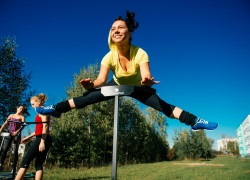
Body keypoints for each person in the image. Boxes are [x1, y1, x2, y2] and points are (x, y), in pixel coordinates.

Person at [36, 11, 218, 131]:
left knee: (162, 106)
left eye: (120, 27)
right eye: (113, 28)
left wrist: (146, 82)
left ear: (129, 33)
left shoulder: (140, 53)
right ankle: (55, 109)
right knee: (88, 97)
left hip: (138, 86)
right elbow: (100, 80)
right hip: (115, 83)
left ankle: (195, 121)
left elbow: (146, 74)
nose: (116, 30)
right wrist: (91, 84)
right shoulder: (108, 57)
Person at [15, 94, 52, 180]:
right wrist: (29, 137)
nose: (32, 106)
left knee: (25, 161)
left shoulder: (43, 111)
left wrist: (42, 142)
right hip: (44, 137)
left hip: (42, 138)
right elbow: (39, 129)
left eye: (32, 104)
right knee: (38, 164)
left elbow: (45, 126)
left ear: (38, 102)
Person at [0, 105, 28, 170]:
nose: (21, 110)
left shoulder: (22, 117)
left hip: (16, 134)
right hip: (9, 132)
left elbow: (23, 126)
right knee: (5, 149)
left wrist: (17, 132)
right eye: (20, 108)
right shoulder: (11, 115)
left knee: (15, 151)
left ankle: (14, 167)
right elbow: (5, 123)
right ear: (17, 108)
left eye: (22, 109)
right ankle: (1, 163)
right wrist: (0, 130)